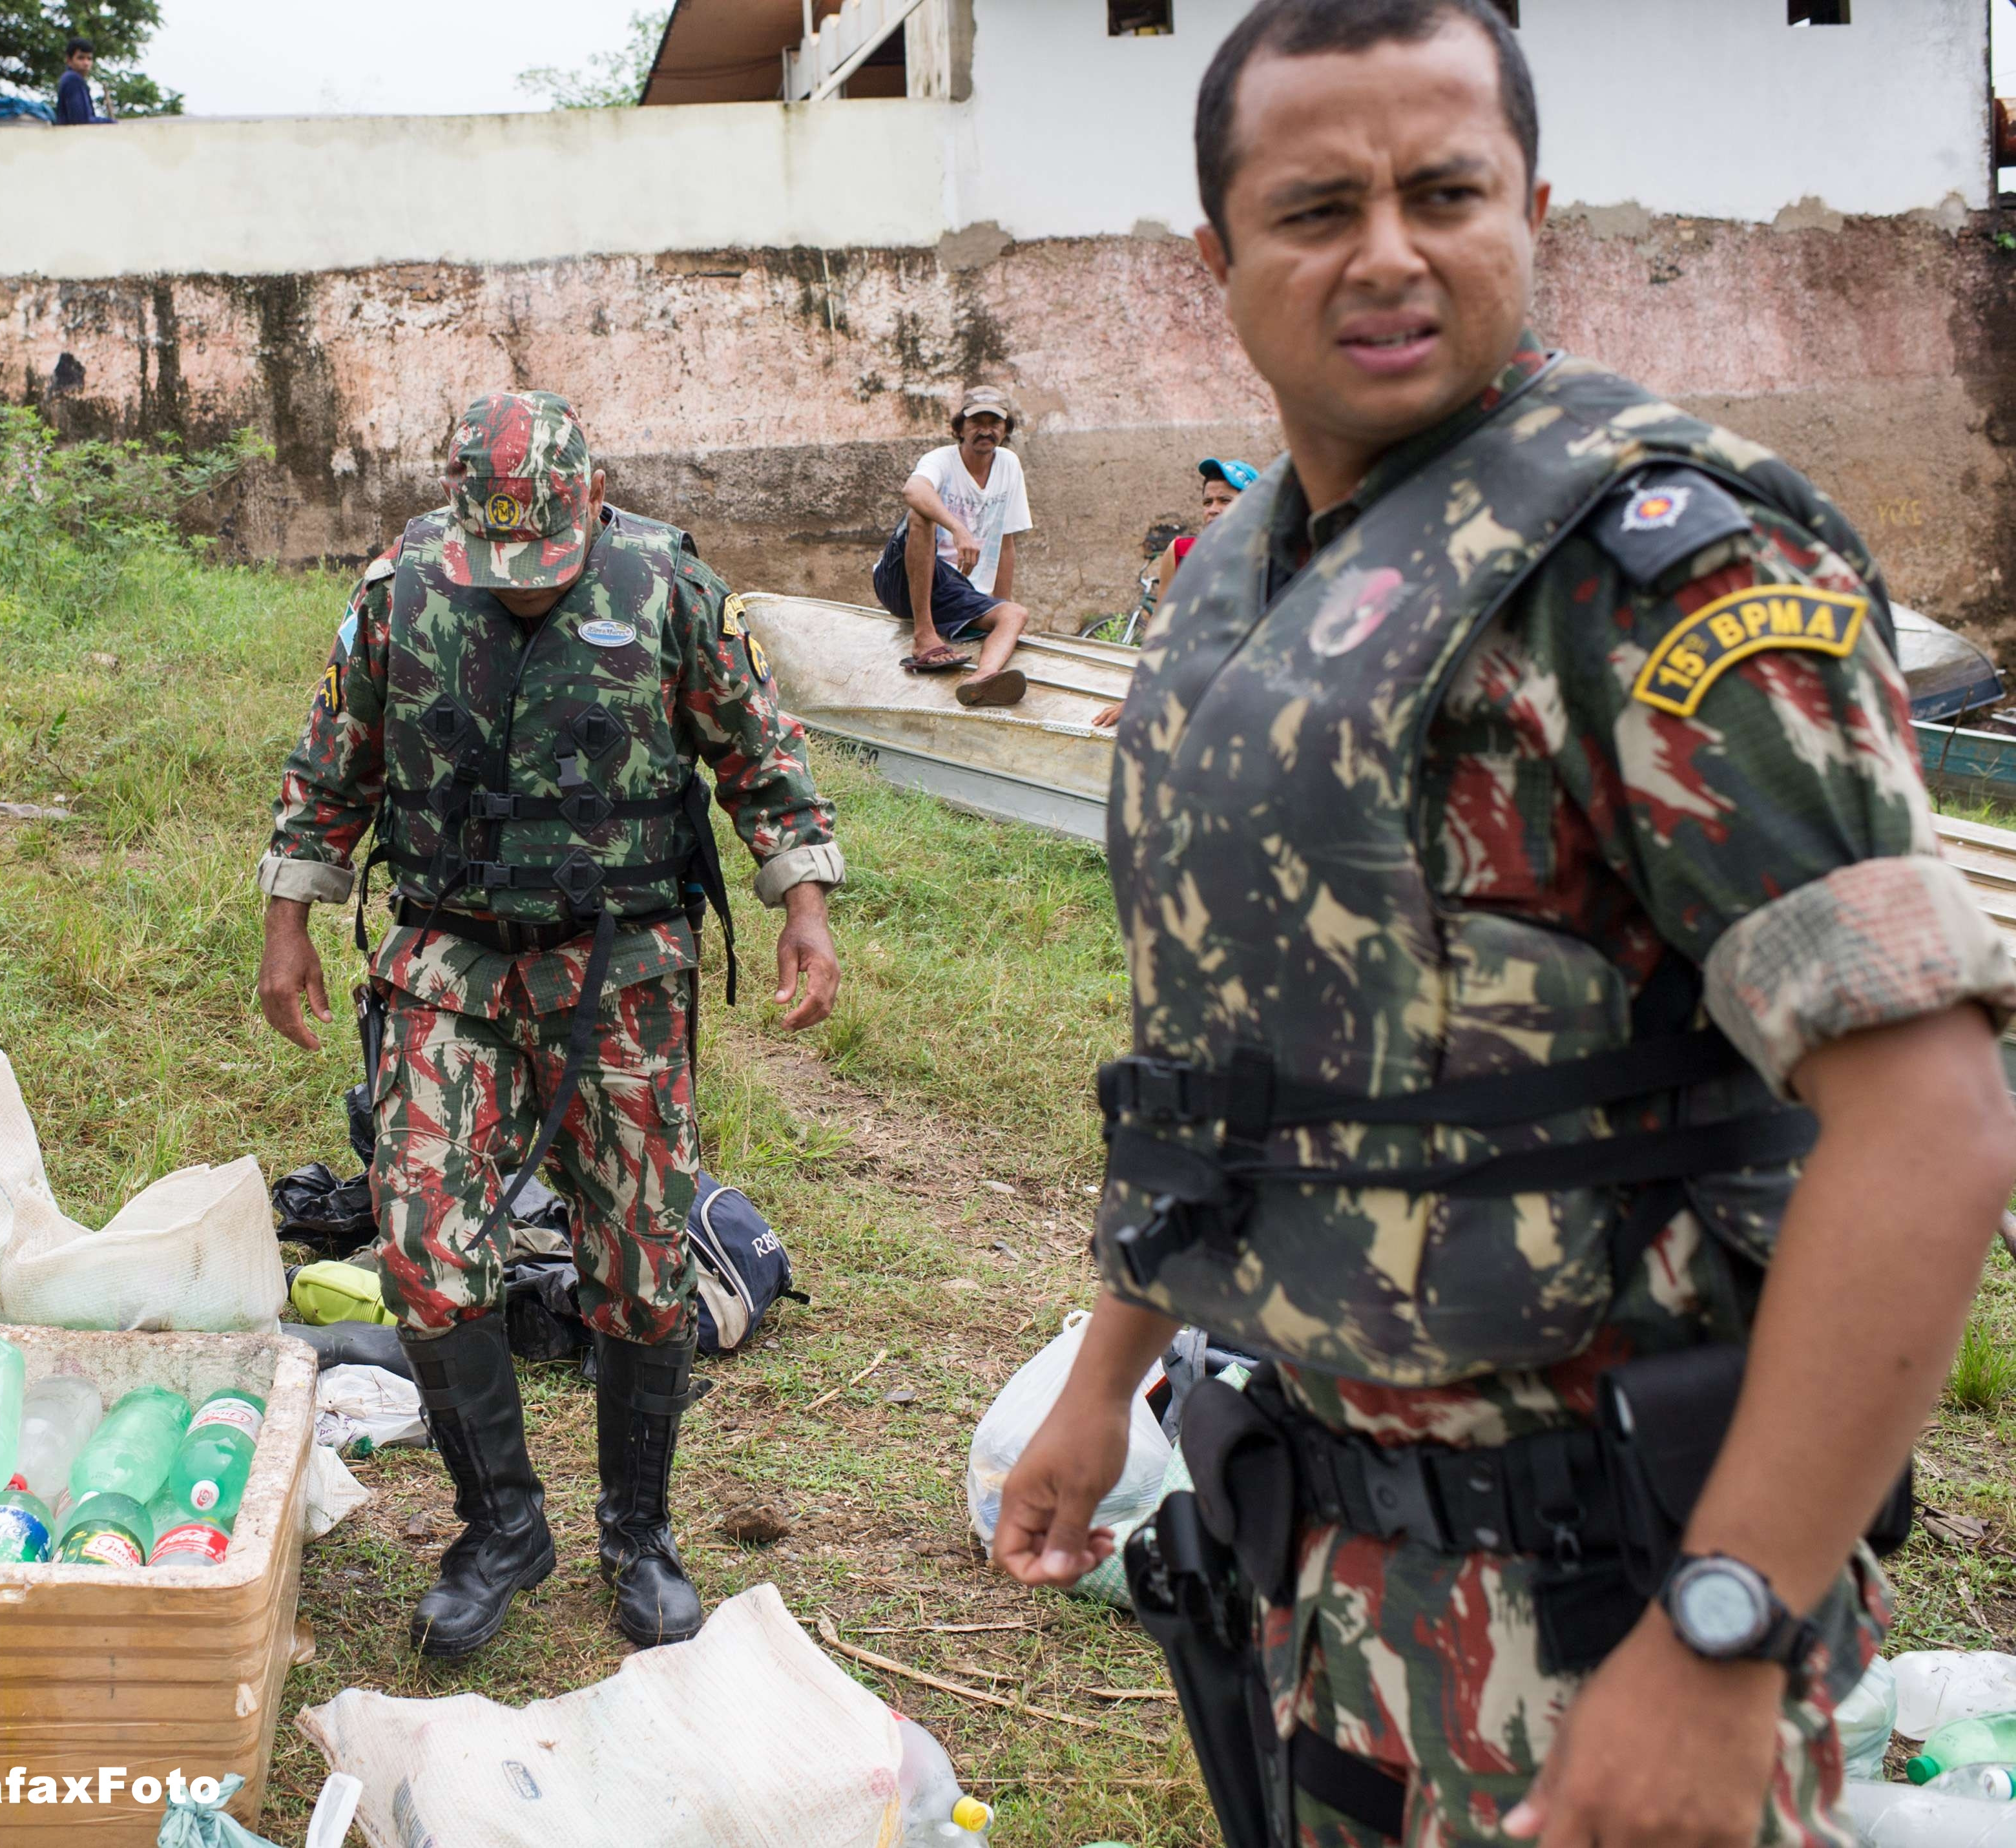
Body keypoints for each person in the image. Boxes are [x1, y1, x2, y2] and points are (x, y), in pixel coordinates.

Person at [992, 8, 2016, 1848]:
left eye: (1443, 192)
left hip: (1611, 1591)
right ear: (1211, 263)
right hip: (1325, 1570)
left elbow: (1928, 1123)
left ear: (1530, 208)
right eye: (1316, 208)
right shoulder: (1239, 588)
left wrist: (1724, 1633)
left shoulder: (1658, 573)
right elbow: (1230, 1079)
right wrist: (1098, 1386)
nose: (1388, 253)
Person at [255, 390, 842, 1658]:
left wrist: (802, 901)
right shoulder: (400, 590)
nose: (523, 586)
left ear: (592, 497)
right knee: (420, 1248)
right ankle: (501, 1523)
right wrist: (289, 918)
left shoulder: (668, 586)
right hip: (446, 963)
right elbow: (332, 763)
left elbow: (758, 747)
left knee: (636, 1262)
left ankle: (638, 1529)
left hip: (617, 966)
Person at [870, 386, 1035, 707]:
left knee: (1015, 614)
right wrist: (957, 528)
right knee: (921, 513)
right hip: (902, 579)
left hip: (954, 590)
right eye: (976, 422)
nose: (986, 430)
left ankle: (983, 680)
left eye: (995, 422)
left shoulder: (1009, 465)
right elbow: (913, 489)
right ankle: (924, 637)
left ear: (1005, 429)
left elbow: (1006, 543)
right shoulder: (940, 460)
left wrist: (996, 607)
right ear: (959, 428)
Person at [1152, 455, 1260, 599]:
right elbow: (1160, 618)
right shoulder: (1181, 552)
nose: (1213, 510)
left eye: (1225, 501)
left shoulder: (1269, 558)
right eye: (1208, 502)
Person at [55, 38, 111, 125]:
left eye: (89, 59)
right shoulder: (73, 79)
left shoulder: (71, 78)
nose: (86, 63)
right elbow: (81, 121)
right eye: (81, 58)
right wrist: (111, 122)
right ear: (69, 60)